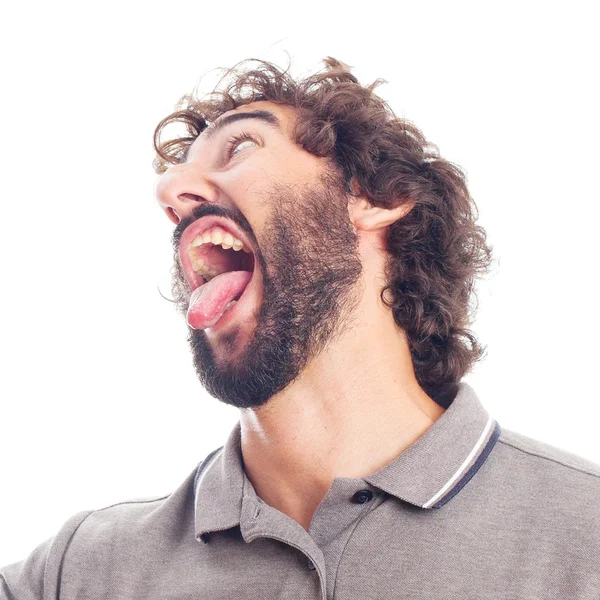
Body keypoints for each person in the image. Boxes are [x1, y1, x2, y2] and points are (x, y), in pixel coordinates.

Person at [2, 57, 599, 600]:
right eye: (174, 180)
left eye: (238, 148)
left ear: (376, 197)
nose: (169, 193)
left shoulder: (584, 533)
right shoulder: (81, 571)